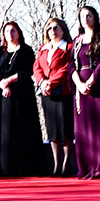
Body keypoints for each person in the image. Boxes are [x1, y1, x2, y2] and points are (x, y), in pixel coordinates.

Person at [0, 19, 45, 177]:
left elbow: (28, 71)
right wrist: (2, 84)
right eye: (7, 31)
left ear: (18, 33)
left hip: (23, 94)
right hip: (5, 95)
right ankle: (6, 168)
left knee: (23, 128)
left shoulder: (26, 50)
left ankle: (26, 167)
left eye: (13, 31)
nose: (10, 34)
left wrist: (10, 80)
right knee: (6, 132)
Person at [72, 6, 100, 179]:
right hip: (80, 90)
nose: (86, 19)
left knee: (99, 128)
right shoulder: (76, 41)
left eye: (89, 15)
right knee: (82, 130)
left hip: (97, 88)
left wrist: (90, 82)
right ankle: (85, 167)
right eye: (82, 16)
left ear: (95, 18)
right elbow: (71, 66)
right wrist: (79, 83)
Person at [34, 19, 75, 177]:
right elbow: (37, 67)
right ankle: (56, 164)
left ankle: (66, 164)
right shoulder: (43, 49)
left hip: (63, 92)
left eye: (56, 27)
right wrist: (42, 82)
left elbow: (67, 68)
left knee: (65, 129)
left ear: (63, 30)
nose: (52, 30)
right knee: (52, 130)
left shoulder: (69, 47)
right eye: (49, 28)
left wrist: (52, 82)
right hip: (47, 94)